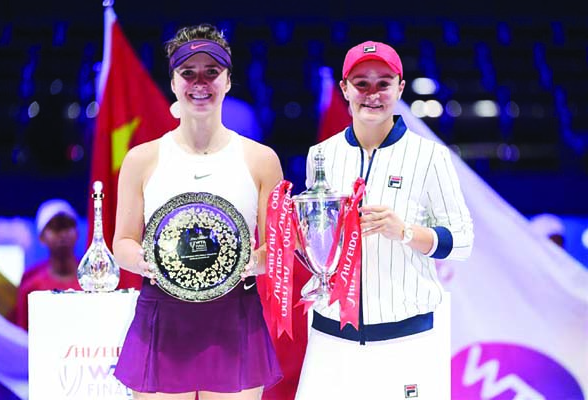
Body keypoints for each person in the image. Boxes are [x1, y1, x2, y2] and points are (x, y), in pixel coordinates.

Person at [112, 23, 283, 399]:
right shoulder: (141, 159)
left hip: (234, 313)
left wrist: (245, 262)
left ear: (228, 81)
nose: (200, 83)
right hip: (163, 314)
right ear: (173, 82)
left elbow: (276, 251)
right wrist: (148, 261)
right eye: (188, 73)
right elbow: (122, 242)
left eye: (212, 73)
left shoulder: (261, 160)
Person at [295, 41, 474, 399]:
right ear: (345, 88)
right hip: (332, 336)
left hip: (406, 340)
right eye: (362, 83)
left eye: (383, 83)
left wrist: (405, 232)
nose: (372, 94)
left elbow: (463, 241)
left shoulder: (430, 157)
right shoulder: (322, 155)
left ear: (400, 88)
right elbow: (317, 238)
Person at [12, 199, 82, 331]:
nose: (62, 234)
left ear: (77, 233)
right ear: (41, 237)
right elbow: (23, 335)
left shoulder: (94, 279)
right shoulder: (31, 285)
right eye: (55, 228)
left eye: (67, 226)